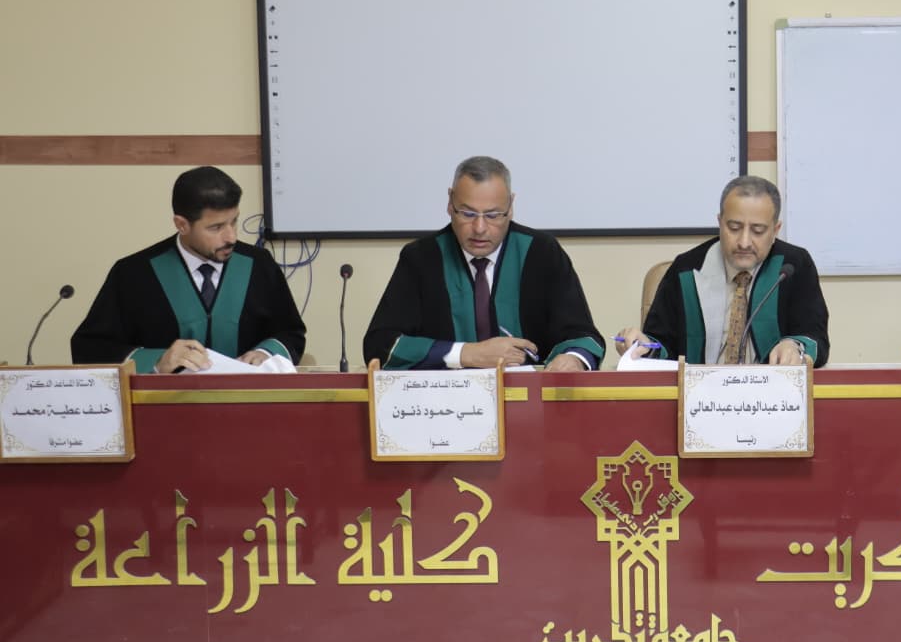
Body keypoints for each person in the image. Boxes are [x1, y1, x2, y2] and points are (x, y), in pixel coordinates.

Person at [363, 156, 605, 371]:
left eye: (492, 215)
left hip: (527, 399)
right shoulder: (421, 258)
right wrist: (468, 354)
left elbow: (582, 336)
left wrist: (573, 359)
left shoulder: (541, 253)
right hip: (443, 401)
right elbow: (381, 346)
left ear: (511, 207)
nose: (479, 228)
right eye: (468, 214)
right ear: (450, 203)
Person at [72, 166, 306, 373]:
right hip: (163, 405)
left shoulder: (259, 265)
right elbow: (91, 347)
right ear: (182, 224)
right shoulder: (134, 274)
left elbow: (290, 332)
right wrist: (156, 361)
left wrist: (266, 352)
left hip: (247, 402)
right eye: (216, 227)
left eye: (234, 221)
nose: (231, 237)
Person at [616, 175, 830, 367]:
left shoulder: (793, 267)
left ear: (775, 230)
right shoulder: (686, 270)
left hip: (772, 393)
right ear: (720, 223)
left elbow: (815, 339)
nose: (744, 242)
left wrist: (795, 347)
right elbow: (661, 345)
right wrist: (643, 346)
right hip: (698, 393)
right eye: (734, 228)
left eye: (758, 231)